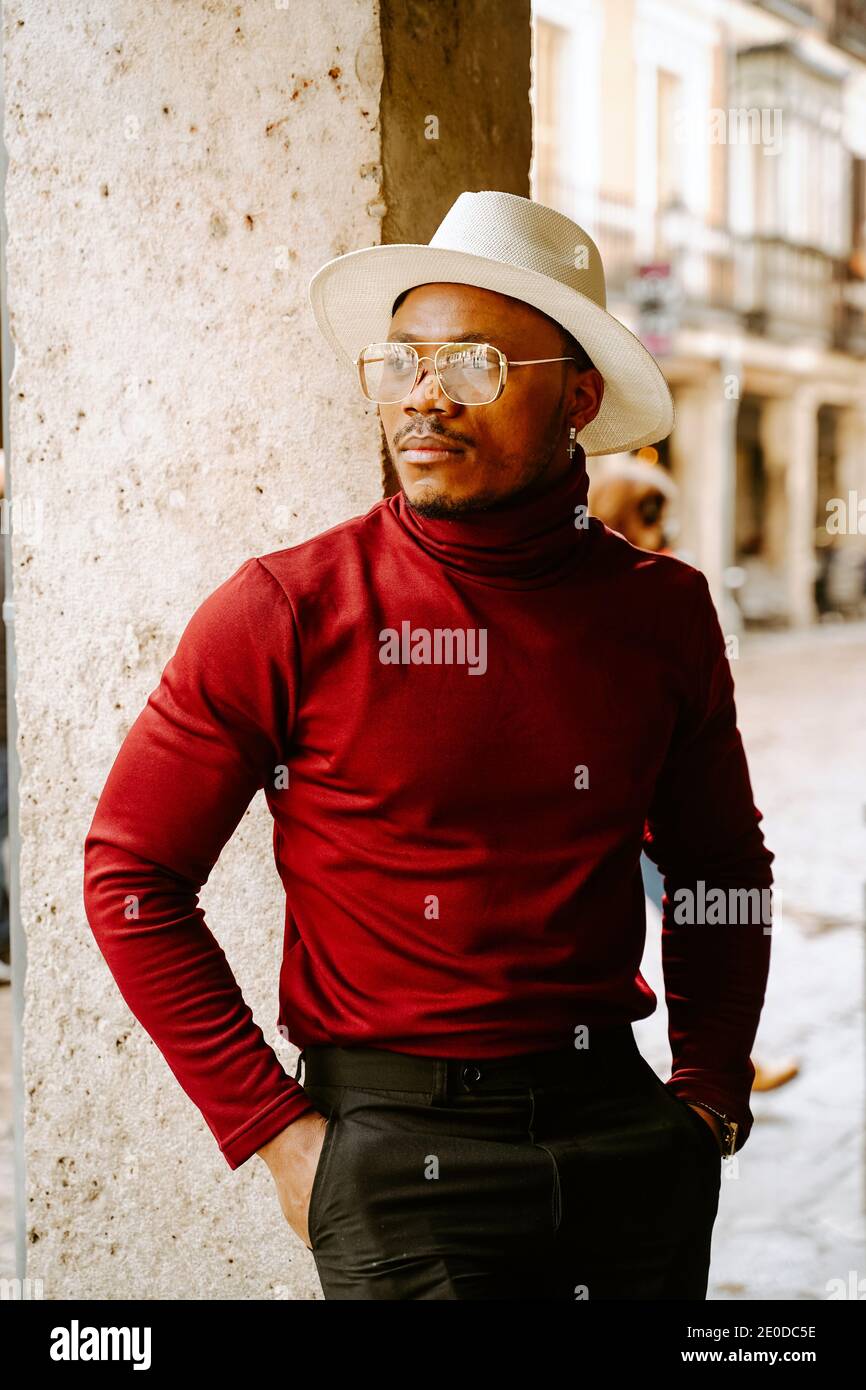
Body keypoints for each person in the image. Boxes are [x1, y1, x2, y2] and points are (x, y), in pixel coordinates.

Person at [83, 190, 775, 1300]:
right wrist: (274, 1131)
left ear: (577, 397)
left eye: (472, 370)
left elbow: (718, 868)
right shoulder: (286, 608)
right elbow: (131, 874)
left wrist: (705, 1098)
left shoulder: (661, 611)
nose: (422, 400)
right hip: (397, 1156)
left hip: (625, 1141)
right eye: (401, 363)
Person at [588, 453, 798, 1095]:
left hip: (648, 791)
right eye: (654, 518)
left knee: (697, 898)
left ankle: (722, 1058)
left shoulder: (656, 591)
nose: (664, 531)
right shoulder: (616, 593)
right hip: (625, 799)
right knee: (684, 903)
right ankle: (719, 1057)